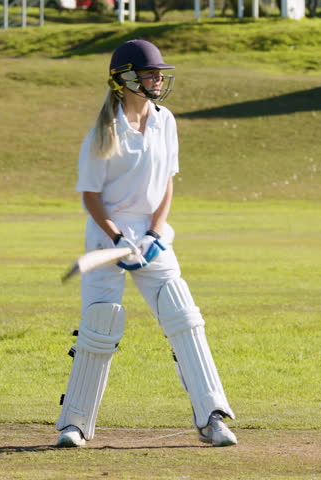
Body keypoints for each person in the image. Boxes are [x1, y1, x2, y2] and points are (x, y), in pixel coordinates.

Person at [55, 39, 237, 448]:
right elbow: (90, 195)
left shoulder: (164, 120)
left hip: (153, 237)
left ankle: (212, 417)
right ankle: (75, 425)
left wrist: (155, 233)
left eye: (159, 72)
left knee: (183, 316)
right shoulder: (103, 131)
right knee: (101, 324)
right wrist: (117, 236)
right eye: (150, 72)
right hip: (108, 237)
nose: (158, 78)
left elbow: (167, 183)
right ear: (125, 79)